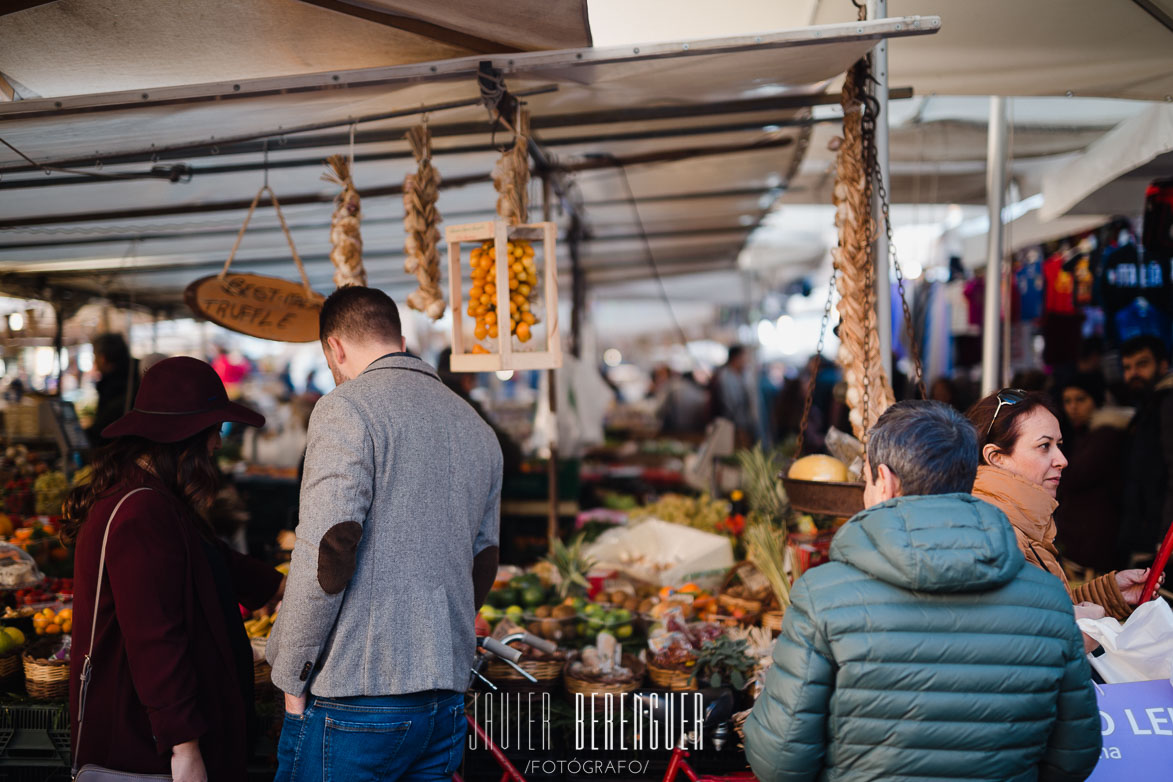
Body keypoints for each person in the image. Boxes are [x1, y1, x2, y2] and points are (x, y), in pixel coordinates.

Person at [744, 401, 1101, 782]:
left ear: (884, 480)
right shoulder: (1047, 598)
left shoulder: (822, 595)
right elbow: (1075, 754)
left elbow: (780, 761)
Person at [267, 287, 502, 781]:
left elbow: (329, 548)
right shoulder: (476, 426)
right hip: (445, 696)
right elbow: (484, 561)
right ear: (396, 336)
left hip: (358, 694)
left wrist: (292, 671)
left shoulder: (345, 408)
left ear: (334, 348)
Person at [64, 357, 281, 782]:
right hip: (144, 750)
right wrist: (185, 749)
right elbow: (154, 638)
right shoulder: (140, 510)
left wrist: (280, 588)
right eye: (214, 431)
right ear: (186, 436)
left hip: (155, 739)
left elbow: (210, 555)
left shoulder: (153, 495)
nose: (218, 445)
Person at [968, 389, 1155, 626]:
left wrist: (1110, 594)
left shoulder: (1020, 524)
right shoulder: (993, 534)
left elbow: (1039, 610)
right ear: (996, 457)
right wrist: (1074, 631)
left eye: (1059, 444)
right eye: (1044, 446)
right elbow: (1005, 637)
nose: (1062, 460)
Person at [1055, 373, 1130, 572]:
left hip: (1094, 537)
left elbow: (1075, 476)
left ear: (1096, 400)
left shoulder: (1106, 436)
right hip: (1081, 534)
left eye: (1080, 399)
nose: (1073, 407)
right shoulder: (1083, 435)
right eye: (1067, 401)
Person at [1118, 335, 1173, 567]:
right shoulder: (1150, 404)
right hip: (1145, 533)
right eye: (1127, 367)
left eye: (1142, 364)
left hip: (1160, 539)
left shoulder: (1168, 402)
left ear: (1162, 365)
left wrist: (1165, 538)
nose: (1133, 374)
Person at [436, 346, 523, 476]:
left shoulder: (430, 407)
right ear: (466, 379)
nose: (475, 384)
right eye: (473, 377)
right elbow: (507, 452)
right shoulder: (468, 409)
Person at [85, 332, 140, 447]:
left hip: (119, 454)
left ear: (103, 358)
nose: (94, 362)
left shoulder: (113, 387)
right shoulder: (137, 375)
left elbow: (102, 431)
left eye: (95, 357)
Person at [711, 345, 758, 445]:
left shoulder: (742, 375)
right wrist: (739, 427)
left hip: (744, 426)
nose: (746, 360)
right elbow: (731, 404)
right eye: (744, 357)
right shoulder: (726, 377)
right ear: (736, 358)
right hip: (734, 427)